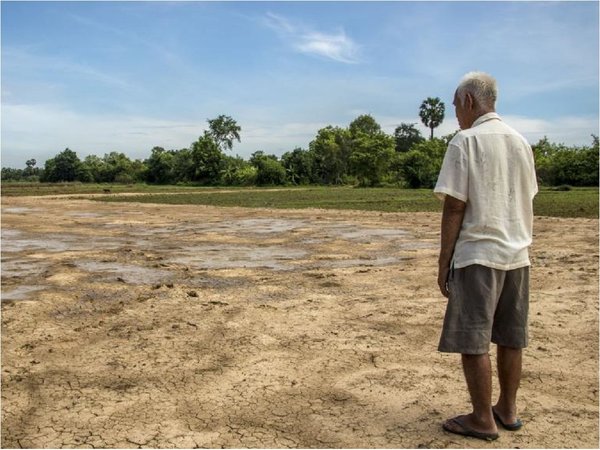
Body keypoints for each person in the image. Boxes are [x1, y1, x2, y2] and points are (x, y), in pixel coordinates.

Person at [434, 72, 538, 441]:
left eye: (455, 105)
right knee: (511, 336)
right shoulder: (520, 141)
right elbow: (528, 197)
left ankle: (481, 418)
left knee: (473, 339)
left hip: (479, 253)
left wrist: (444, 259)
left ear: (468, 101)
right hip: (518, 254)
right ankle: (507, 410)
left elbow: (454, 207)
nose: (455, 113)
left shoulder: (465, 141)